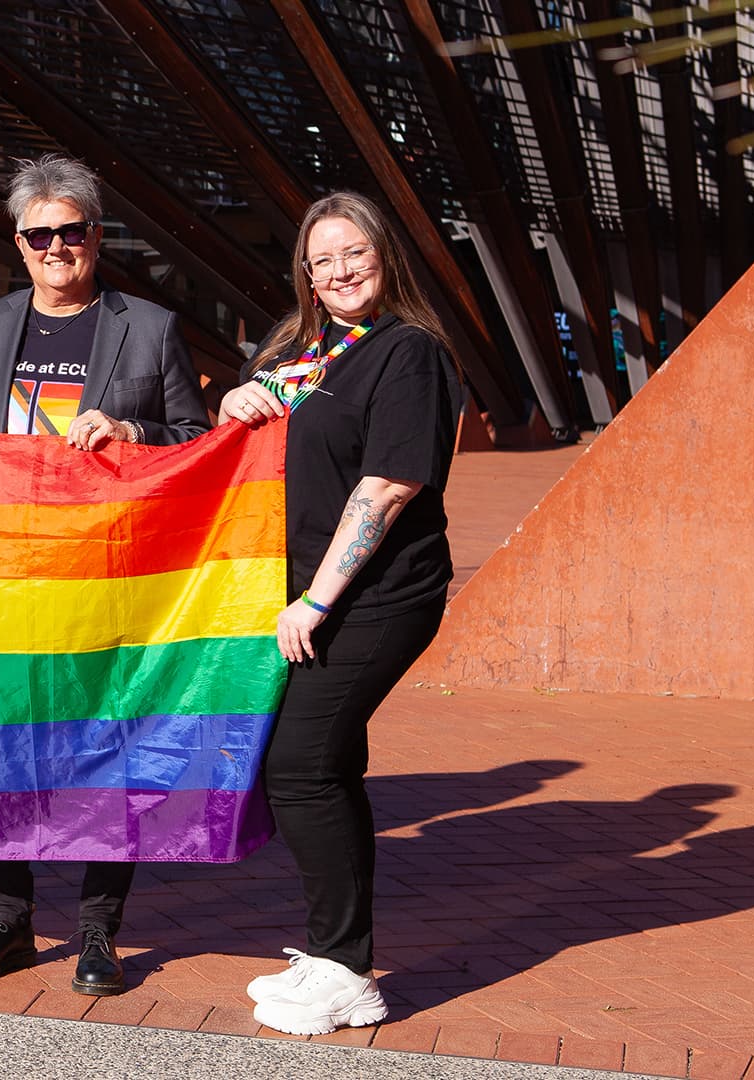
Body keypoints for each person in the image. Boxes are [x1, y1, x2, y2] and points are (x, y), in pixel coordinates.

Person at [0, 153, 210, 996]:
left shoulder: (148, 326)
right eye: (39, 234)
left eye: (72, 231)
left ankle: (97, 934)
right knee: (3, 749)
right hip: (4, 577)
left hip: (106, 577)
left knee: (103, 751)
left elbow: (195, 444)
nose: (57, 246)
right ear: (18, 243)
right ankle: (8, 923)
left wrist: (128, 427)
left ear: (97, 236)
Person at [219, 191, 462, 1035]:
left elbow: (388, 485)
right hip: (304, 593)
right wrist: (234, 407)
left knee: (301, 766)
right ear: (306, 276)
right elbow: (251, 440)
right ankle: (334, 956)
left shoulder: (410, 353)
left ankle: (349, 970)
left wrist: (316, 599)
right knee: (330, 765)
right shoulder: (300, 349)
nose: (341, 271)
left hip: (376, 595)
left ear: (385, 255)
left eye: (354, 252)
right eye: (323, 260)